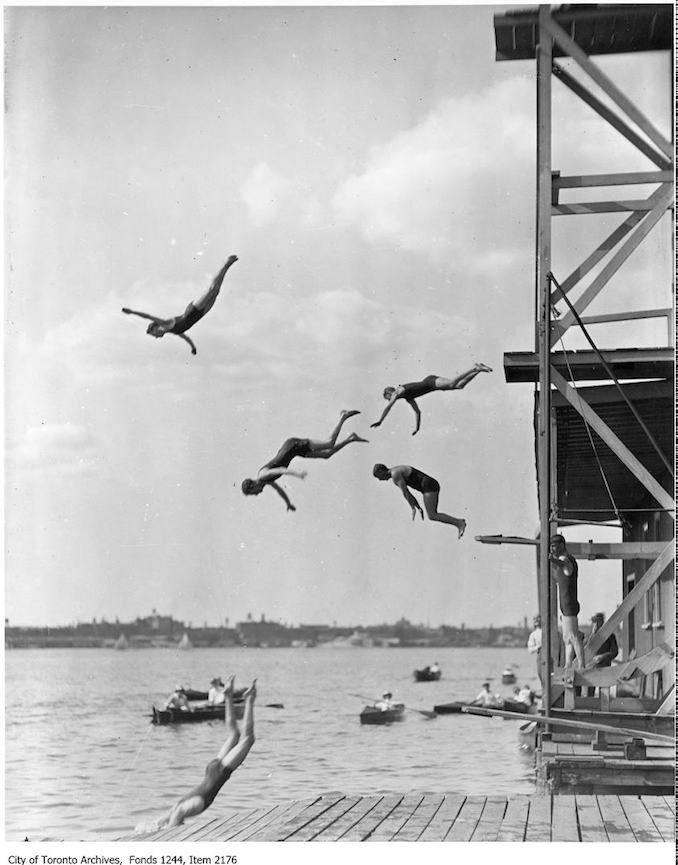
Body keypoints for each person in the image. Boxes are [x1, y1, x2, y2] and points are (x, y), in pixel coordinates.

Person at [156, 678, 256, 828]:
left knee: (246, 739)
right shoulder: (178, 806)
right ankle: (228, 696)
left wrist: (170, 830)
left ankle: (248, 699)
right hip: (212, 771)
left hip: (217, 772)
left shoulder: (184, 808)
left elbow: (175, 816)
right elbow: (163, 820)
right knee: (235, 735)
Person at [242, 410, 368, 511]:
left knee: (329, 443)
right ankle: (351, 438)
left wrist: (298, 474)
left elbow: (281, 469)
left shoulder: (263, 475)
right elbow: (279, 490)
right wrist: (288, 503)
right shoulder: (264, 481)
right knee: (327, 455)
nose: (257, 494)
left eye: (253, 493)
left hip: (293, 446)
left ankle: (343, 416)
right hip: (293, 451)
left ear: (252, 486)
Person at [122, 255, 238, 355]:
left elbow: (148, 316)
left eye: (154, 335)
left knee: (211, 289)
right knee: (216, 292)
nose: (157, 337)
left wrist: (132, 312)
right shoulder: (174, 332)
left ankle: (226, 264)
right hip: (201, 314)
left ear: (155, 328)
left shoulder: (165, 323)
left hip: (192, 311)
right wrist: (193, 348)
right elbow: (187, 339)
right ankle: (226, 267)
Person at [370, 364, 492, 435]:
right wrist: (417, 428)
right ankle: (478, 370)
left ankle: (473, 368)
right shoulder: (408, 397)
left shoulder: (398, 391)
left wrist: (380, 420)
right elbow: (417, 412)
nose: (389, 400)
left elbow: (389, 406)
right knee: (459, 386)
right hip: (432, 386)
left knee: (451, 382)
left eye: (388, 398)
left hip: (430, 381)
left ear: (389, 393)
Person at [372, 463, 466, 538]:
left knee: (432, 515)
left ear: (381, 471)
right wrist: (417, 506)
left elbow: (406, 493)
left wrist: (413, 508)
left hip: (428, 485)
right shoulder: (395, 471)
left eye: (378, 476)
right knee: (432, 515)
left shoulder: (395, 474)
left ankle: (459, 523)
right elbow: (408, 494)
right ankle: (459, 522)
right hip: (428, 485)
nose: (380, 480)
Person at [549, 534, 585, 669]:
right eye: (551, 546)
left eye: (554, 546)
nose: (552, 549)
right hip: (565, 605)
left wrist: (553, 560)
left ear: (562, 545)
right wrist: (553, 561)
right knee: (567, 638)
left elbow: (564, 564)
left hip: (569, 605)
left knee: (574, 636)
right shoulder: (561, 562)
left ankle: (582, 665)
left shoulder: (567, 560)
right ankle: (568, 665)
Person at [585, 612, 619, 697]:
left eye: (598, 622)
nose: (595, 625)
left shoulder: (610, 636)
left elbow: (615, 652)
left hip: (604, 667)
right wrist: (592, 636)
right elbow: (585, 650)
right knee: (589, 694)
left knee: (604, 695)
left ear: (602, 623)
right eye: (594, 622)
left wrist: (603, 657)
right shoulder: (590, 636)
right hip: (591, 668)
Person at [527, 614, 543, 684]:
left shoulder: (550, 631)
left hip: (553, 655)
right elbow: (530, 650)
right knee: (542, 676)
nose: (536, 620)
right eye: (534, 619)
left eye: (538, 618)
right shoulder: (533, 634)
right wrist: (538, 647)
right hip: (541, 656)